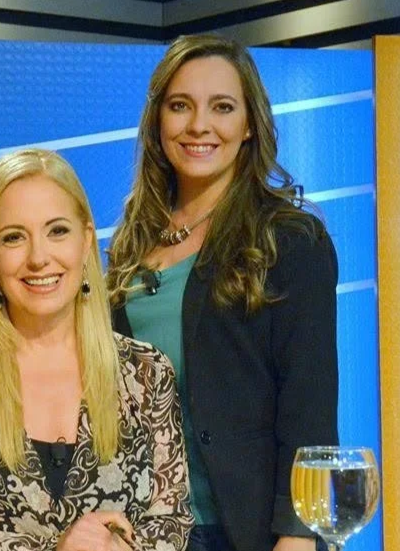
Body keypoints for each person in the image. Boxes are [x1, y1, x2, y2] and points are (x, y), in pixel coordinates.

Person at [0, 148, 193, 551]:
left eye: (57, 231)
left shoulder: (147, 373)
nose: (38, 258)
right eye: (14, 237)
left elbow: (171, 521)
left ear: (86, 239)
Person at [106, 34, 338, 551]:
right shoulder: (130, 243)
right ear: (157, 120)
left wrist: (298, 534)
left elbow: (310, 406)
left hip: (251, 532)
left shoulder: (290, 240)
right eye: (180, 106)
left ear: (249, 123)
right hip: (148, 528)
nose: (199, 125)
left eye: (222, 107)